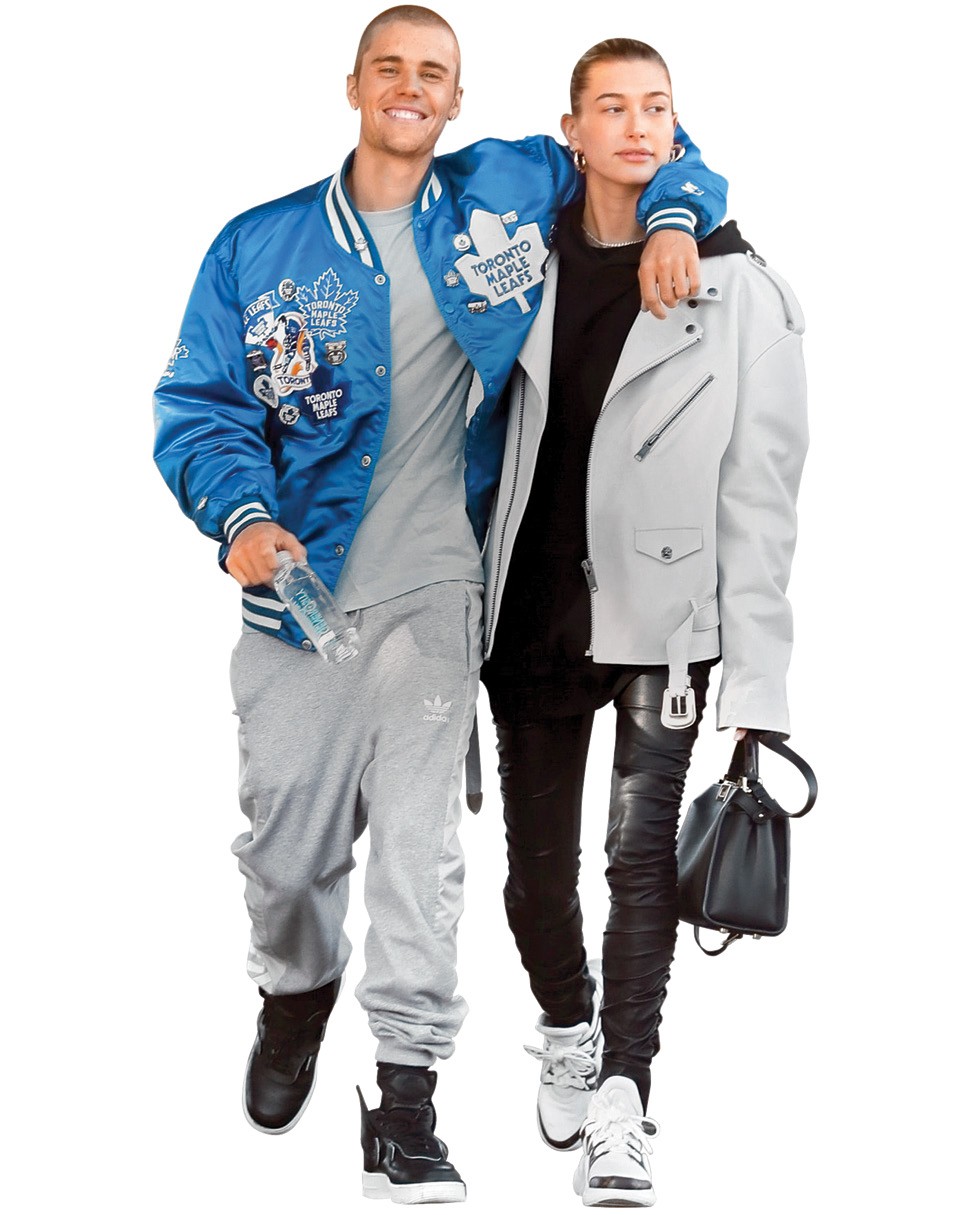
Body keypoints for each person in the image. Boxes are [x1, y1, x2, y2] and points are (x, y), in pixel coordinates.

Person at [153, 7, 726, 1204]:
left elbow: (655, 146)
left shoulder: (502, 188)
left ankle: (405, 1105)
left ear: (458, 100)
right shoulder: (257, 246)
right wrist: (241, 516)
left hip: (442, 587)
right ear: (354, 86)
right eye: (391, 69)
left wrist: (676, 217)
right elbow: (199, 404)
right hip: (296, 602)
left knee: (421, 854)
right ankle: (295, 994)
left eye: (434, 74)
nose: (412, 88)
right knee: (288, 857)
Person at [480, 38, 808, 1208]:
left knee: (638, 861)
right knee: (535, 878)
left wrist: (758, 692)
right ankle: (567, 1026)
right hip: (527, 606)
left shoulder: (739, 287)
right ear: (571, 130)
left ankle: (625, 1095)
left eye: (655, 107)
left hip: (665, 620)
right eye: (610, 107)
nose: (635, 126)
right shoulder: (513, 264)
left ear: (678, 129)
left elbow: (762, 499)